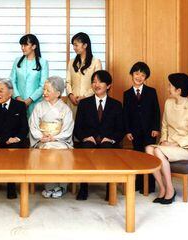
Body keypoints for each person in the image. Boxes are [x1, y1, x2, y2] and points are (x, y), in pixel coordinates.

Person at [145, 73, 188, 204]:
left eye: (170, 86)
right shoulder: (168, 103)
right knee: (149, 149)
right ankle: (163, 188)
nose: (167, 88)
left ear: (179, 90)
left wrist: (174, 144)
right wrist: (163, 141)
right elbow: (164, 125)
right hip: (169, 144)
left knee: (158, 151)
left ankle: (170, 190)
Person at [73, 70, 124, 200]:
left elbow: (120, 129)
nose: (96, 84)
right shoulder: (84, 104)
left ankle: (109, 189)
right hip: (89, 140)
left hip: (108, 141)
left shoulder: (116, 105)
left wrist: (111, 139)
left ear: (108, 85)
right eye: (94, 81)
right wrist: (85, 137)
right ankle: (83, 188)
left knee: (108, 148)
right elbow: (77, 127)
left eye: (100, 81)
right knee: (86, 147)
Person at [29, 76, 74, 198]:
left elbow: (67, 129)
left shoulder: (65, 109)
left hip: (60, 140)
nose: (44, 93)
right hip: (43, 140)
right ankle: (50, 186)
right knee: (47, 149)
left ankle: (61, 186)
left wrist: (54, 137)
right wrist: (40, 137)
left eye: (48, 90)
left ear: (58, 93)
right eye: (44, 89)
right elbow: (33, 125)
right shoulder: (39, 107)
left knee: (60, 151)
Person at [123, 62, 160, 193]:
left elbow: (156, 111)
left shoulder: (151, 92)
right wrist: (127, 130)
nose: (139, 77)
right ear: (132, 74)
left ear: (146, 78)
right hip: (135, 132)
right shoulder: (127, 94)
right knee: (137, 157)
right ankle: (138, 184)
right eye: (137, 73)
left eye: (143, 75)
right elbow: (126, 114)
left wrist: (156, 128)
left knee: (150, 158)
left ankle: (150, 185)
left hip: (150, 131)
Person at [10, 34, 49, 117]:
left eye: (25, 45)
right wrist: (17, 97)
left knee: (34, 127)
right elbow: (12, 81)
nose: (22, 47)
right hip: (18, 102)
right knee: (18, 128)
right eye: (21, 45)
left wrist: (29, 100)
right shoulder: (17, 61)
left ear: (34, 46)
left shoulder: (43, 62)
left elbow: (43, 85)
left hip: (35, 103)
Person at [66, 32, 102, 117]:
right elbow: (68, 82)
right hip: (73, 101)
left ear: (85, 45)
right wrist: (70, 95)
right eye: (73, 45)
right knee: (72, 127)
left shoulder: (96, 62)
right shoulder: (71, 62)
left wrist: (84, 96)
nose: (74, 48)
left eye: (76, 45)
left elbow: (97, 84)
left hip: (89, 101)